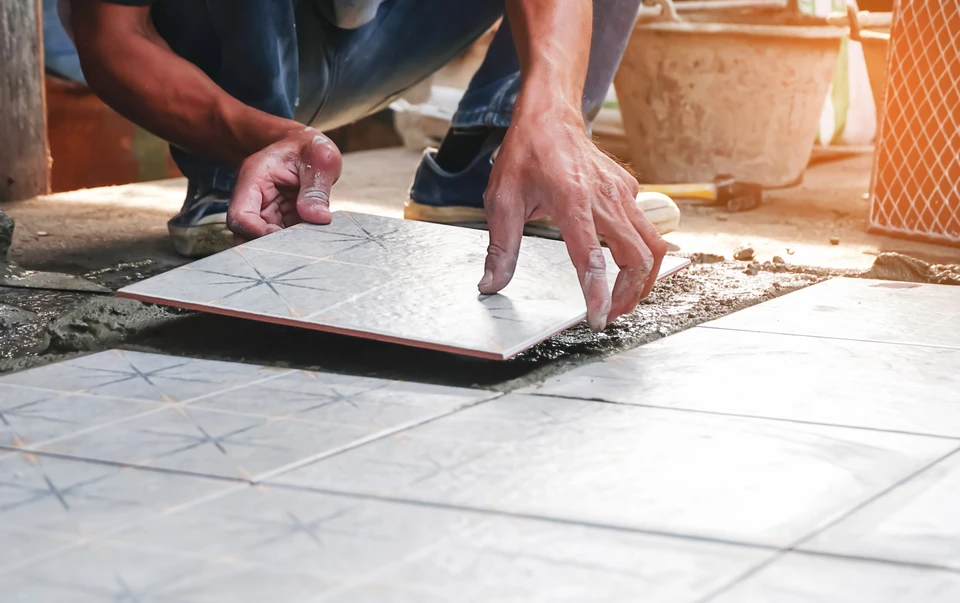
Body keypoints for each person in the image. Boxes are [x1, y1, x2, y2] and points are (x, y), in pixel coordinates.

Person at [65, 0, 679, 331]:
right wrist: (264, 137)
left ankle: (499, 166)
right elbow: (113, 35)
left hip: (381, 38)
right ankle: (243, 181)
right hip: (223, 55)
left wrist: (552, 115)